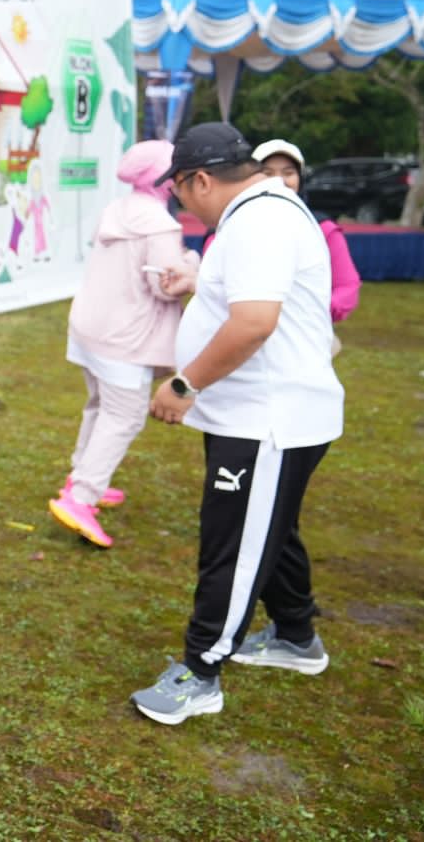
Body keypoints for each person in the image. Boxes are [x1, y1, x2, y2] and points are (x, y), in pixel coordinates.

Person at [131, 121, 344, 726]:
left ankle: (202, 671)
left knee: (233, 543)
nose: (181, 206)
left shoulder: (260, 220)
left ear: (199, 180)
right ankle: (296, 635)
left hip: (267, 420)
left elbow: (253, 323)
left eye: (178, 192)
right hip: (262, 416)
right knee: (269, 527)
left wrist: (185, 384)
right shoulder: (261, 212)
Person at [48, 140, 199, 548]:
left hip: (90, 328)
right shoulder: (160, 224)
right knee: (124, 416)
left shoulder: (116, 210)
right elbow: (166, 285)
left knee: (100, 406)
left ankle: (82, 475)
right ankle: (81, 497)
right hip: (125, 339)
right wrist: (192, 262)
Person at [251, 138, 361, 326]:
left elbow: (347, 286)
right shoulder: (232, 227)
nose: (279, 180)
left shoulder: (322, 229)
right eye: (267, 173)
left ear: (300, 179)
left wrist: (314, 314)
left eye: (288, 173)